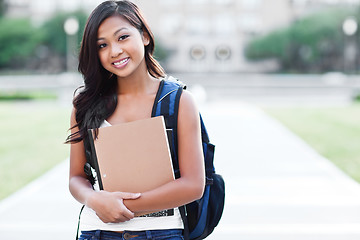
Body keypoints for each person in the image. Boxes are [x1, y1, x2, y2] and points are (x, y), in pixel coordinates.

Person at [66, 1, 205, 239]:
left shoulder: (178, 101)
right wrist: (94, 199)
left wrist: (123, 206)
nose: (115, 51)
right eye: (102, 45)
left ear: (144, 36)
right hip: (96, 232)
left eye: (122, 38)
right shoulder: (85, 105)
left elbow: (193, 184)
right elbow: (76, 178)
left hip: (162, 232)